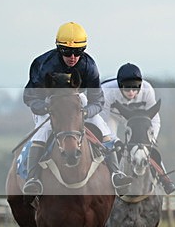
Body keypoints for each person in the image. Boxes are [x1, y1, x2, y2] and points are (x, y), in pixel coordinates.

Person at [22, 22, 132, 196]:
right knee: (42, 132)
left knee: (104, 128)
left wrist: (86, 112)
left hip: (77, 101)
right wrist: (45, 107)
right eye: (67, 52)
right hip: (49, 103)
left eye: (78, 51)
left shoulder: (89, 66)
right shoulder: (43, 65)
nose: (73, 57)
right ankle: (32, 179)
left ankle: (116, 173)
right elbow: (29, 97)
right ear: (59, 49)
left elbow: (97, 100)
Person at [100, 63, 175, 194]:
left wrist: (150, 139)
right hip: (110, 117)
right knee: (111, 147)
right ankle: (113, 177)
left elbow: (155, 120)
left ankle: (164, 178)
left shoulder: (147, 90)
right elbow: (103, 123)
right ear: (119, 86)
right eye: (127, 89)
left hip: (136, 118)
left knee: (146, 148)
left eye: (135, 88)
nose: (131, 92)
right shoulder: (106, 92)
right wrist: (116, 141)